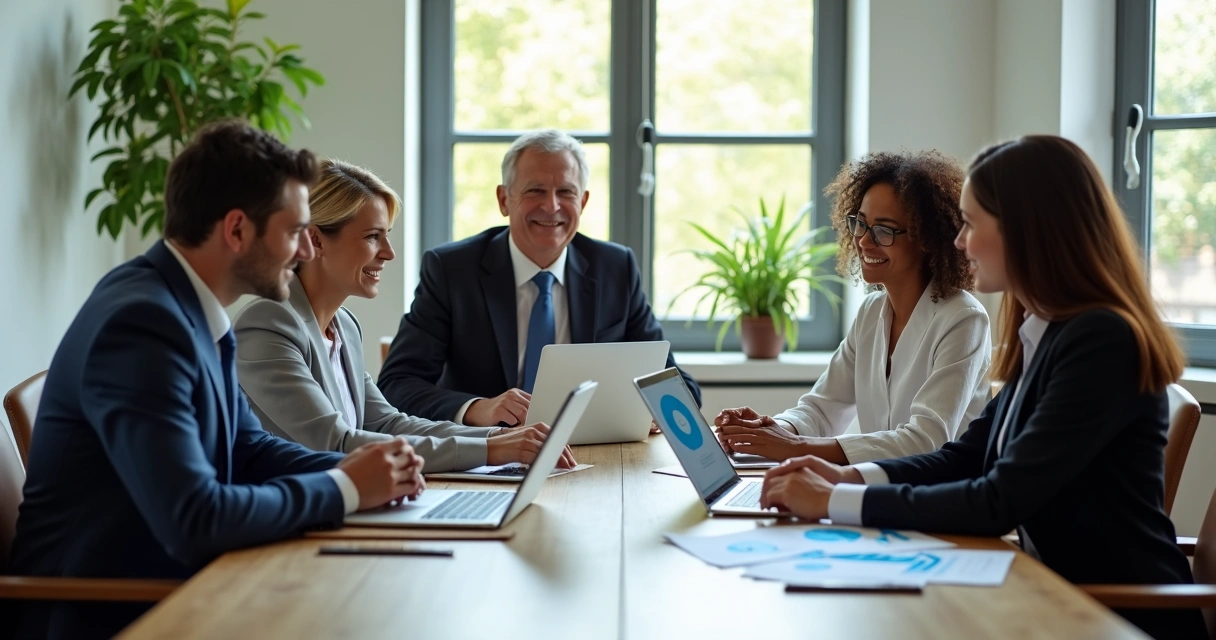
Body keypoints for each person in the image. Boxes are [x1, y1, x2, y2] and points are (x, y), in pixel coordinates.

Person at [759, 135, 1205, 640]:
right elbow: (965, 458)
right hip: (1050, 596)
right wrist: (846, 479)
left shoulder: (1101, 341)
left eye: (971, 224)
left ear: (1024, 231)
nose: (958, 241)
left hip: (1113, 618)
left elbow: (999, 501)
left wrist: (833, 501)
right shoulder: (1048, 331)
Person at [9, 121, 425, 639]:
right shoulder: (141, 324)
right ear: (236, 230)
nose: (304, 251)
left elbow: (248, 448)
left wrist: (362, 470)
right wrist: (345, 487)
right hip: (108, 611)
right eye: (295, 231)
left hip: (178, 585)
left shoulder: (189, 308)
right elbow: (195, 519)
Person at [233, 159, 577, 471]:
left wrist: (495, 438)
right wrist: (490, 452)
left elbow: (387, 424)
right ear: (316, 240)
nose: (389, 253)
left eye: (387, 236)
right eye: (372, 237)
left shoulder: (344, 326)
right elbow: (335, 444)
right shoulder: (268, 325)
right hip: (292, 523)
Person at [378, 129, 700, 426]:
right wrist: (479, 408)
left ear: (583, 202)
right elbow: (397, 384)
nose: (552, 206)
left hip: (593, 457)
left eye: (566, 191)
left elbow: (677, 384)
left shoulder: (616, 268)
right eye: (535, 190)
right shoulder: (452, 270)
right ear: (504, 200)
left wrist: (653, 412)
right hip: (488, 456)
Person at [716, 151, 990, 465]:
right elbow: (820, 410)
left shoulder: (963, 320)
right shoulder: (872, 314)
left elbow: (925, 441)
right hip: (879, 492)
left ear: (926, 239)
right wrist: (769, 430)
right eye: (860, 224)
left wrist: (792, 447)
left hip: (939, 502)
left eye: (884, 230)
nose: (864, 241)